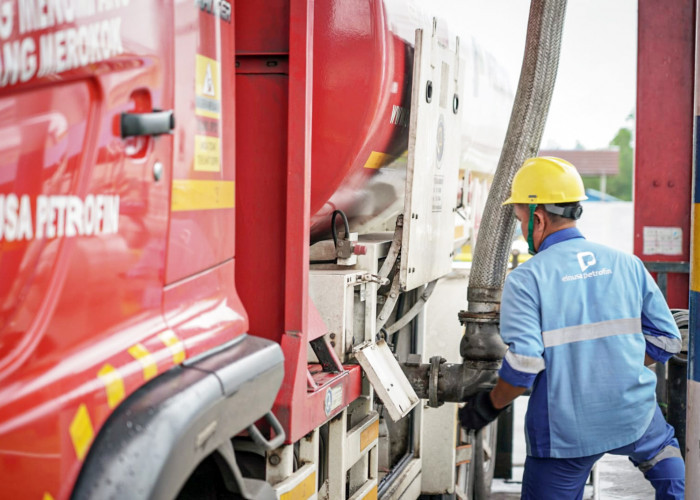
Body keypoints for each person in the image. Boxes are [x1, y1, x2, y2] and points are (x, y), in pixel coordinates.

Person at [459, 157, 685, 499]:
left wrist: (488, 406)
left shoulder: (526, 279)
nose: (523, 228)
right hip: (633, 415)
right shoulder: (627, 264)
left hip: (565, 431)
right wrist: (612, 366)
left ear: (538, 217)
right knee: (668, 465)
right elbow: (668, 341)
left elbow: (524, 367)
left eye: (521, 219)